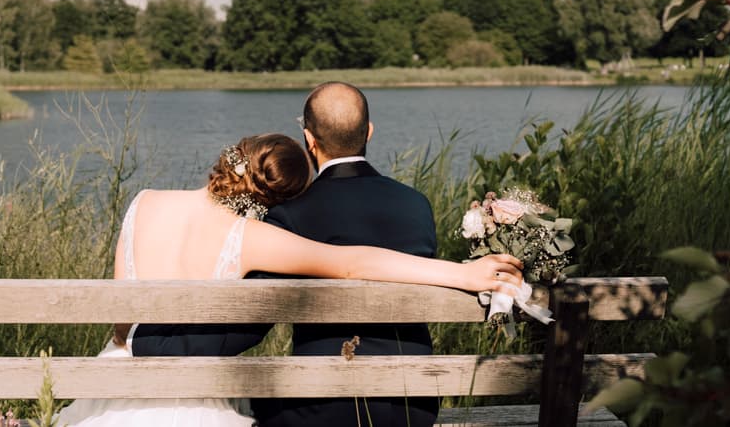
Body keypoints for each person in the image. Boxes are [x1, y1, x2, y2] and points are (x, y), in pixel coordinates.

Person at [57, 131, 522, 427]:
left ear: (232, 156)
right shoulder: (249, 236)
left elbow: (120, 325)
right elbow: (354, 262)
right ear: (272, 198)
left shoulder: (144, 202)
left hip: (116, 389)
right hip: (193, 400)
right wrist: (463, 272)